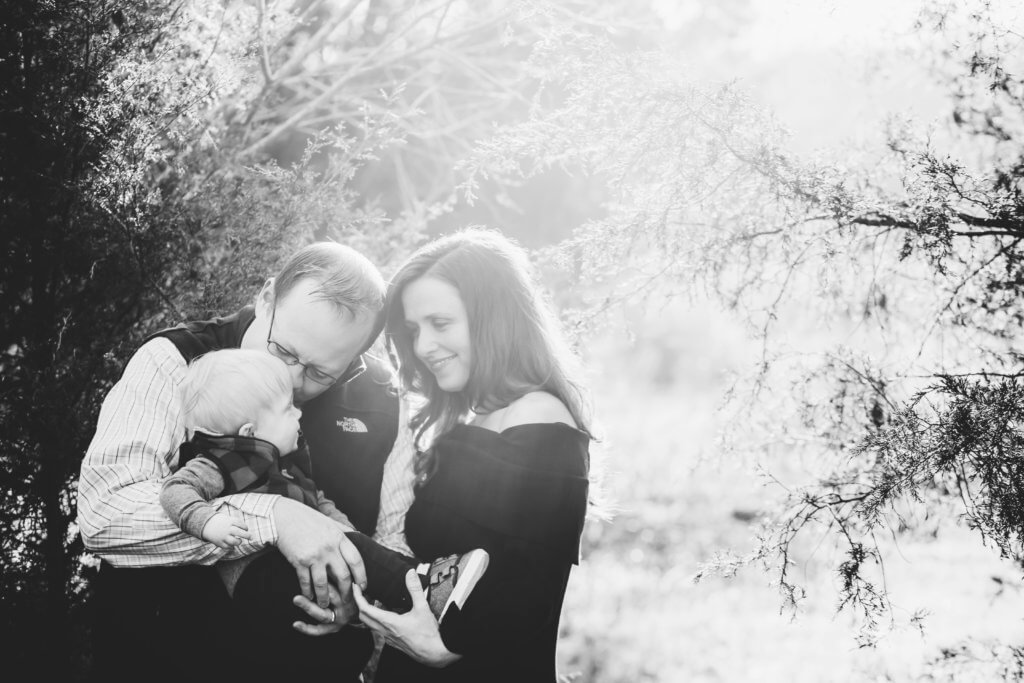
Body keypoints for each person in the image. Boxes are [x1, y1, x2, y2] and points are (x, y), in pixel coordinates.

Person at [77, 242, 400, 683]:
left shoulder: (378, 400)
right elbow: (106, 514)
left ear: (354, 362)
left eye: (320, 373)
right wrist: (275, 517)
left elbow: (379, 530)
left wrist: (355, 598)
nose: (290, 380)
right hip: (163, 659)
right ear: (266, 298)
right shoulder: (175, 362)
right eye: (283, 351)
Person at [292, 229, 597, 682]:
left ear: (494, 318)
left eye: (441, 323)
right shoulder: (475, 424)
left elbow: (533, 596)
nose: (422, 347)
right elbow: (433, 577)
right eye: (414, 330)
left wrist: (447, 650)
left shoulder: (541, 422)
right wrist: (358, 610)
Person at [159, 347, 490, 621]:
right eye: (287, 409)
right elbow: (176, 491)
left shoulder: (285, 465)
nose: (299, 415)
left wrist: (346, 534)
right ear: (249, 432)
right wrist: (208, 523)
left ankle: (416, 591)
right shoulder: (218, 462)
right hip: (257, 576)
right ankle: (421, 587)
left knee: (355, 559)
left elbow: (319, 504)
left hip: (299, 569)